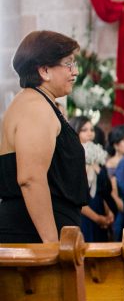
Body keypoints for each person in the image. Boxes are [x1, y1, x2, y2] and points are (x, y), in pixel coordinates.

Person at [0, 31, 88, 243]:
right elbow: (30, 179)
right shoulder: (35, 107)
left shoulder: (40, 103)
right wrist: (52, 244)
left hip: (41, 229)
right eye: (68, 64)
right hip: (30, 235)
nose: (75, 71)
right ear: (45, 70)